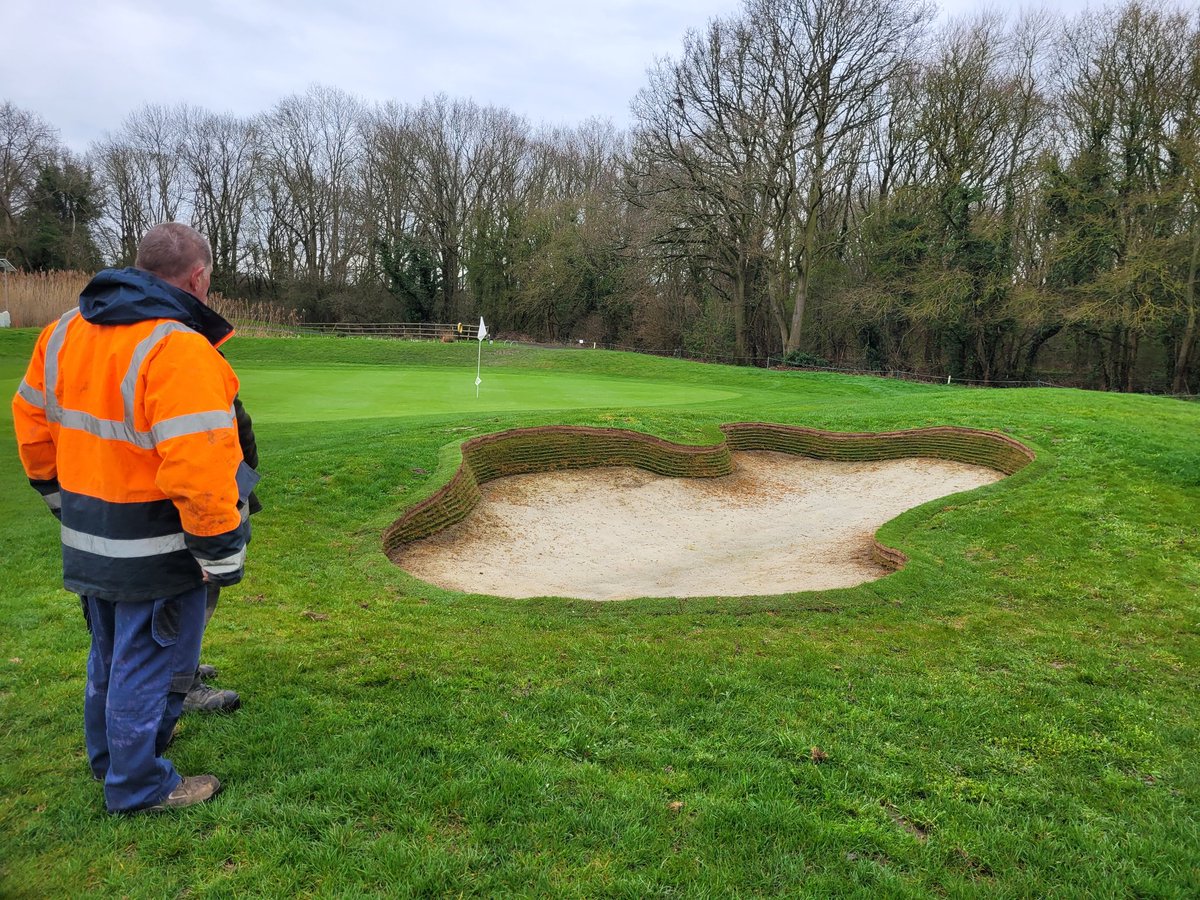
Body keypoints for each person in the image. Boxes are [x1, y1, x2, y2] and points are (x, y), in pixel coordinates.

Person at [12, 223, 253, 814]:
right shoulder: (177, 348)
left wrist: (67, 511)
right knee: (147, 661)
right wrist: (221, 554)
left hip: (90, 536)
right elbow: (199, 467)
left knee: (111, 655)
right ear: (198, 277)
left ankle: (110, 762)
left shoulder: (62, 331)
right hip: (156, 544)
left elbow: (32, 431)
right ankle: (139, 785)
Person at [183, 393, 259, 713]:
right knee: (189, 584)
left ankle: (184, 663)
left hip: (228, 488)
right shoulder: (183, 355)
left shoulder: (206, 355)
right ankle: (180, 682)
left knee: (202, 587)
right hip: (203, 495)